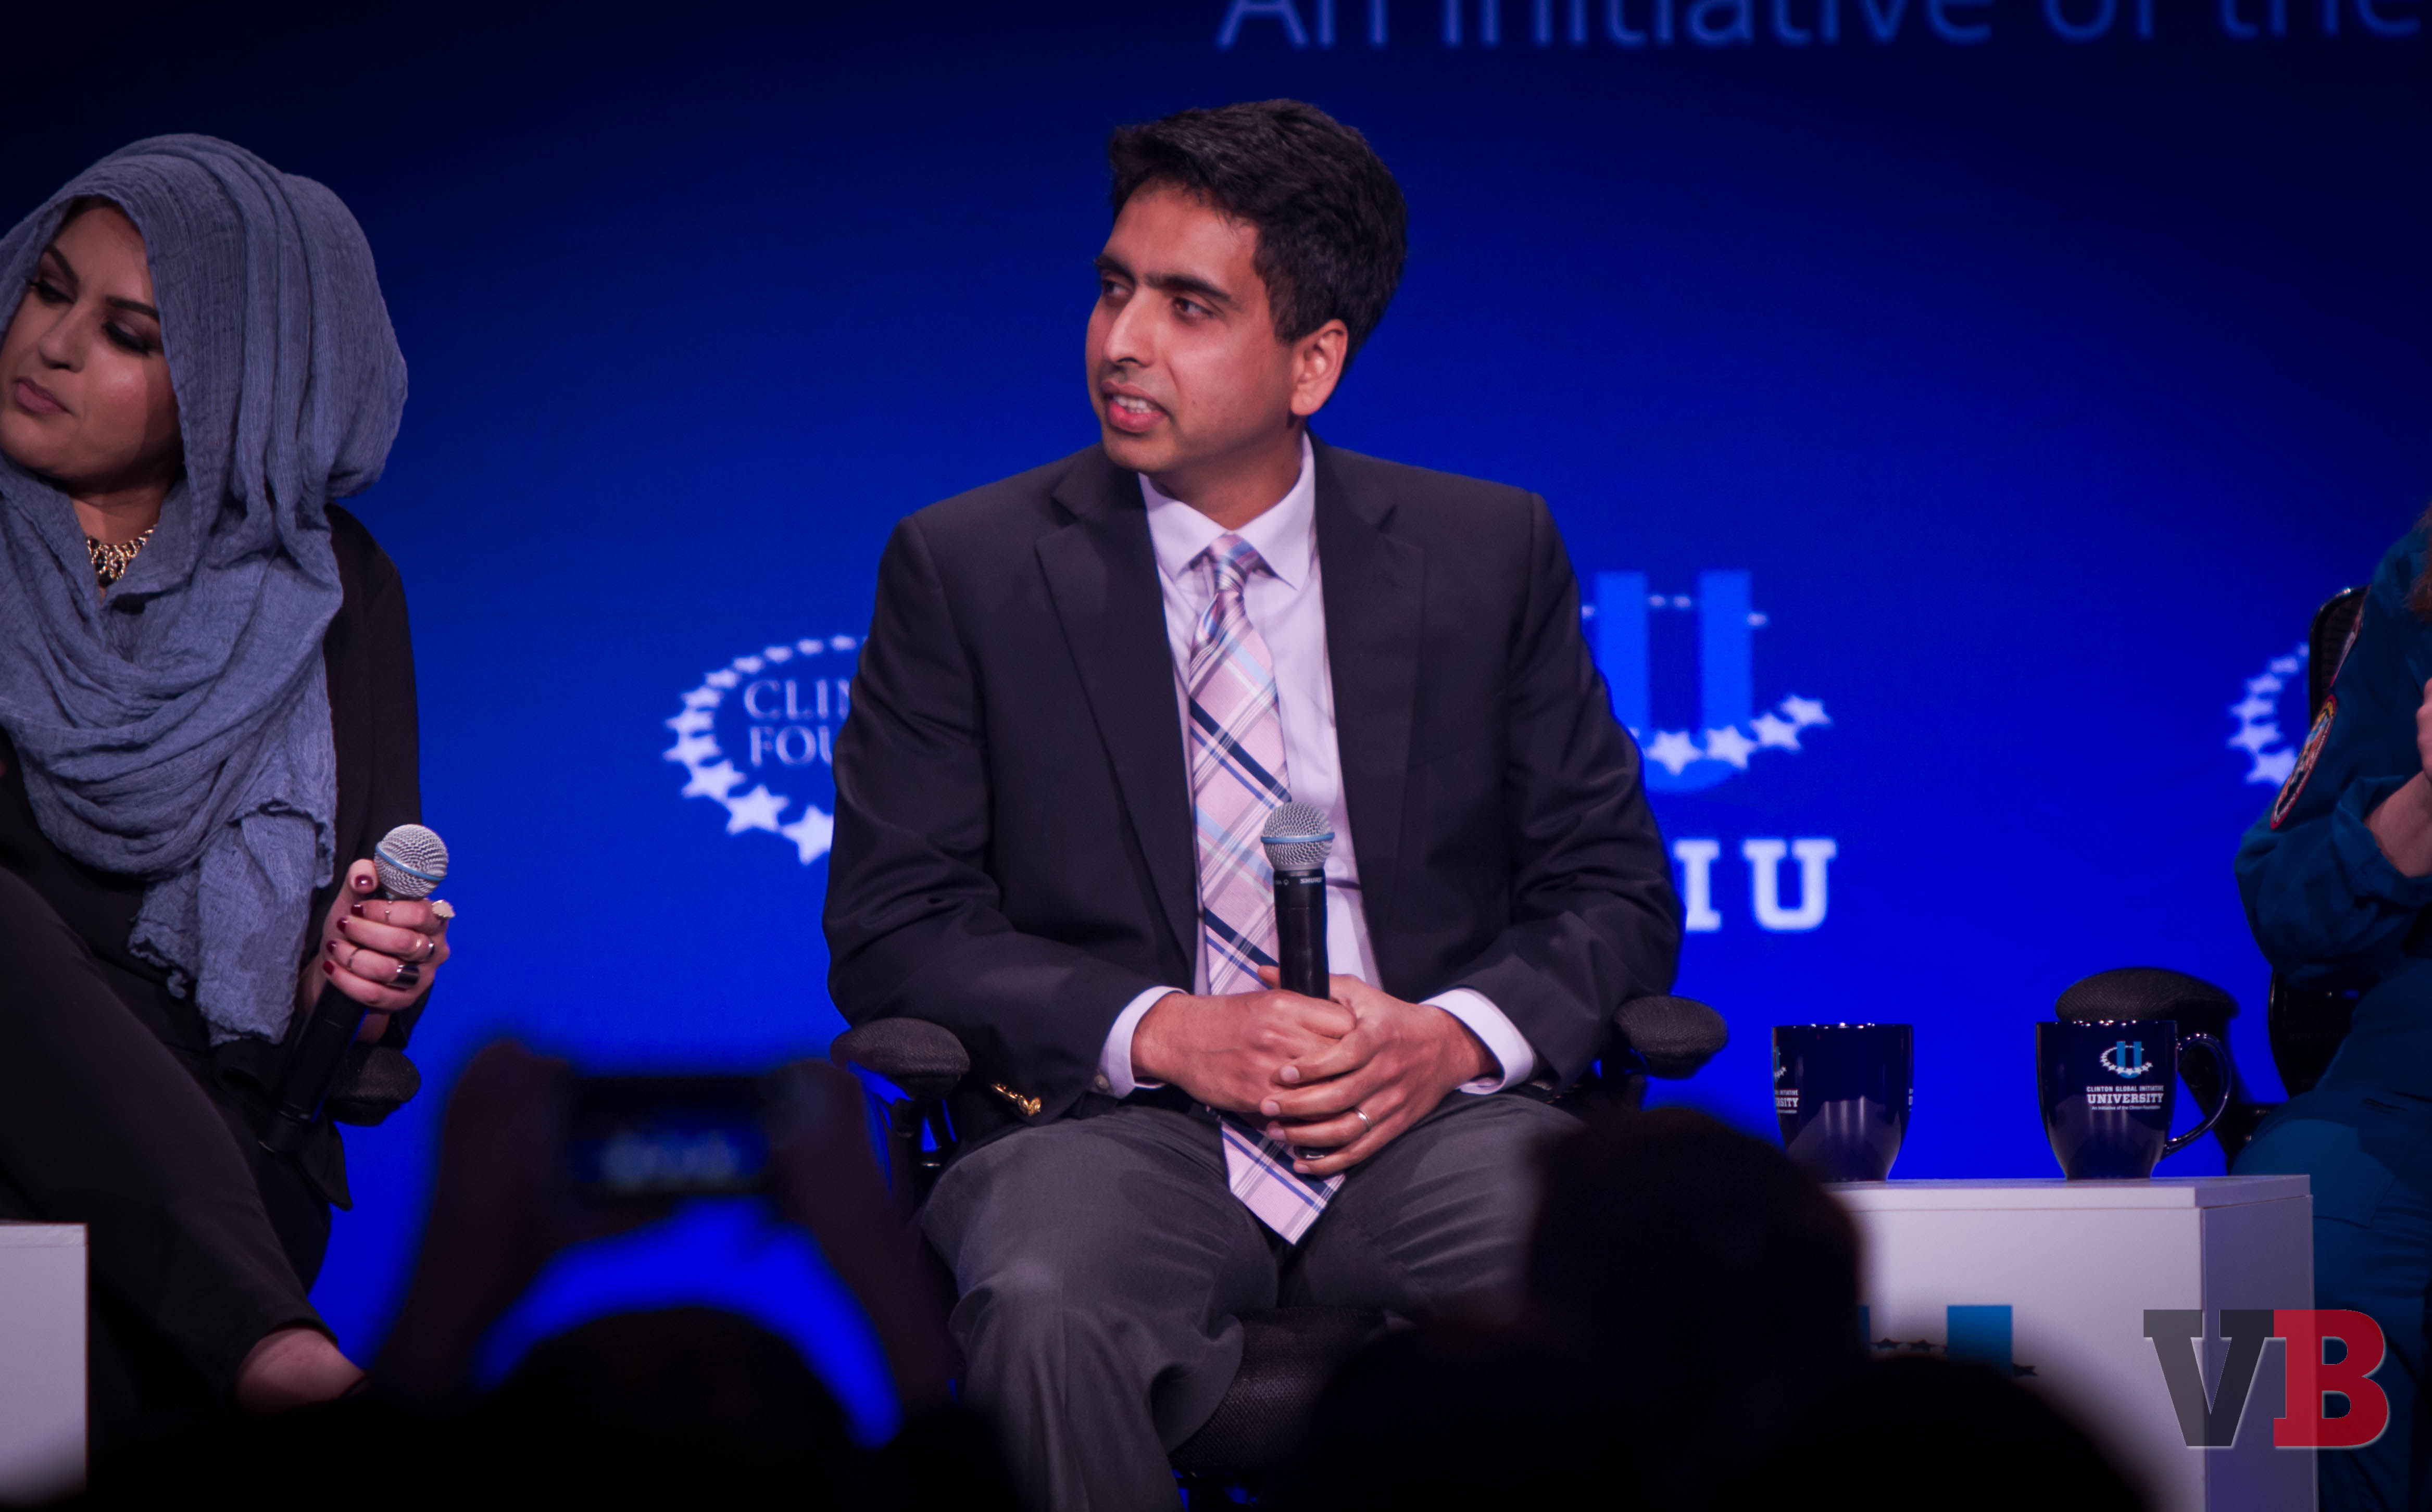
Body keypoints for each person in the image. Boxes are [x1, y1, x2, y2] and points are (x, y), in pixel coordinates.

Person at [824, 99, 1680, 1509]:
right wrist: (1164, 1030)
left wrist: (1449, 1042)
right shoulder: (964, 568)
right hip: (1108, 1128)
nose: (1120, 341)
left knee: (1631, 1270)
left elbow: (1611, 892)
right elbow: (893, 924)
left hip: (1426, 1125)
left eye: (1186, 305)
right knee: (1042, 1294)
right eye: (1111, 287)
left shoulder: (1484, 553)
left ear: (1313, 362)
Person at [0, 136, 448, 1461]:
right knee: (32, 1298)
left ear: (233, 388)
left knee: (49, 1308)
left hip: (218, 1128)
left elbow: (332, 1002)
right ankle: (272, 1350)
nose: (54, 344)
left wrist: (363, 975)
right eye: (50, 291)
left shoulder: (337, 590)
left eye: (128, 332)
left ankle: (249, 1338)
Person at [2237, 510, 2432, 1511]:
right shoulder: (2422, 578)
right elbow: (2294, 914)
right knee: (2283, 1240)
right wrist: (2427, 801)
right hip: (2414, 1080)